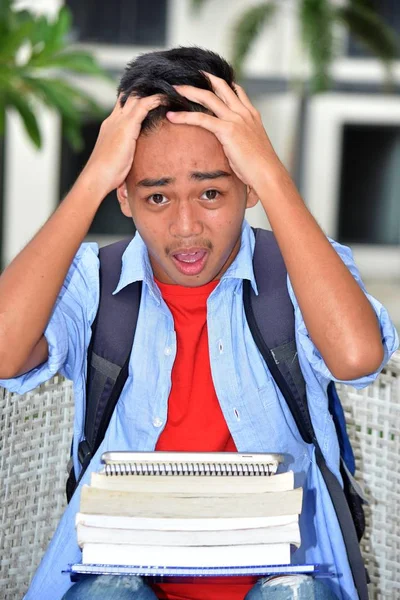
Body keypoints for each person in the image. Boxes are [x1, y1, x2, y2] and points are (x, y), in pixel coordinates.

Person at [0, 46, 397, 600]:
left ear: (248, 183)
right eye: (157, 196)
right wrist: (91, 180)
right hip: (121, 575)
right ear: (125, 194)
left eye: (212, 192)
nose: (187, 227)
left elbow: (357, 357)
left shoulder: (303, 270)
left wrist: (271, 172)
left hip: (288, 579)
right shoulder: (93, 280)